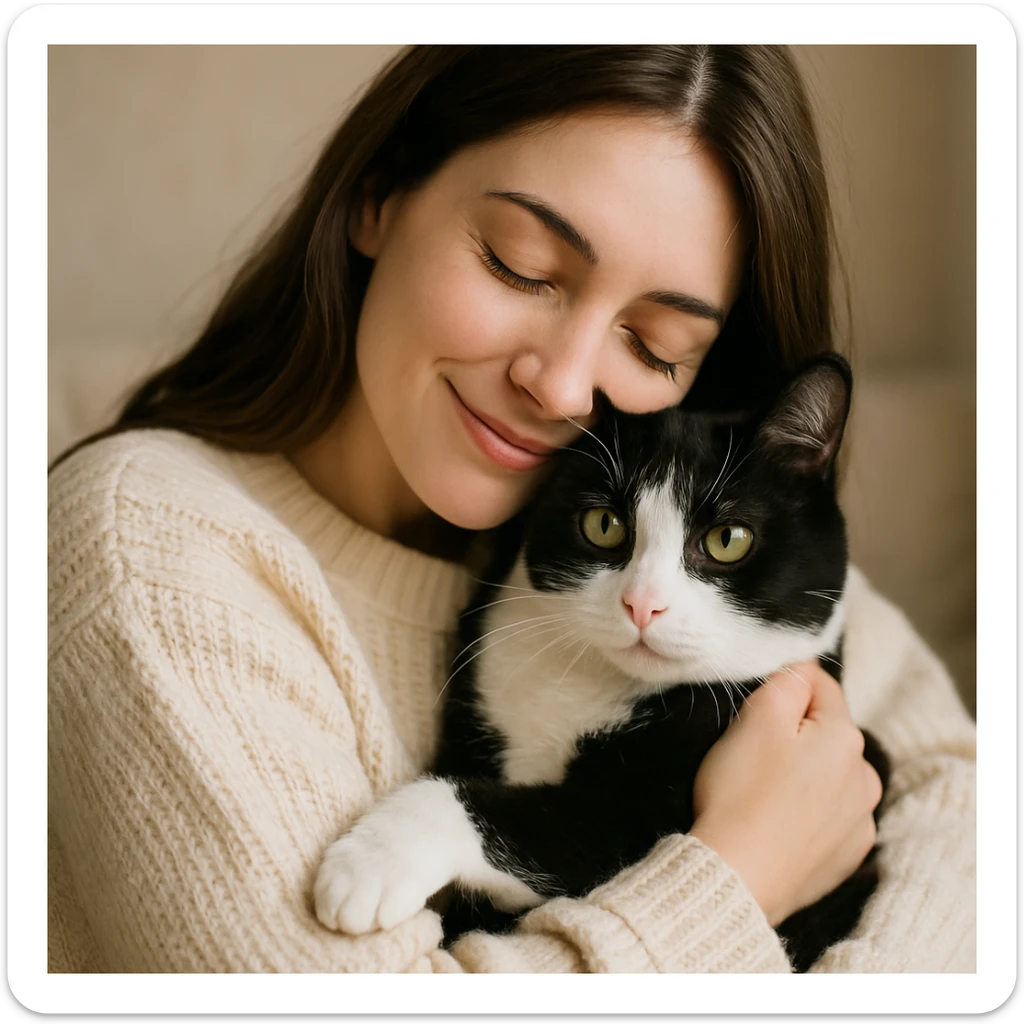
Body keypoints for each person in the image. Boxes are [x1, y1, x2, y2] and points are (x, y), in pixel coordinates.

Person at [47, 44, 976, 973]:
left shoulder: (623, 521)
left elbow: (967, 801)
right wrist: (737, 877)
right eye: (519, 265)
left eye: (655, 346)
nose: (565, 387)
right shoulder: (145, 554)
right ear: (380, 192)